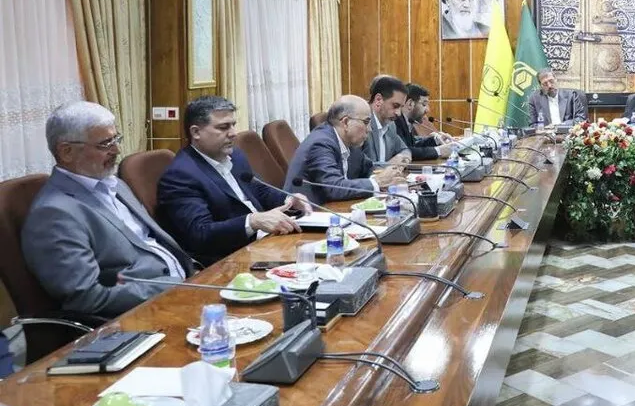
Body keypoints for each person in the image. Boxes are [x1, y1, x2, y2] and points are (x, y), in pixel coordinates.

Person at [23, 102, 194, 319]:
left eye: (116, 139)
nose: (117, 150)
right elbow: (87, 298)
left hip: (187, 286)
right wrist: (171, 286)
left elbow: (148, 242)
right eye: (105, 144)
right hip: (142, 313)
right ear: (66, 152)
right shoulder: (54, 214)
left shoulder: (113, 183)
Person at [157, 97, 312, 266]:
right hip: (229, 260)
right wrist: (253, 221)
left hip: (266, 242)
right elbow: (200, 233)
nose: (233, 133)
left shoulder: (235, 155)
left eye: (233, 125)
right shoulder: (181, 175)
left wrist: (289, 199)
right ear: (196, 132)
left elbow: (259, 190)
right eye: (223, 127)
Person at [284, 95, 405, 204]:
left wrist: (390, 175)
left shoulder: (349, 141)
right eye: (366, 122)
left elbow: (368, 168)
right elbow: (334, 187)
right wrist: (377, 182)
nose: (369, 129)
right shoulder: (320, 143)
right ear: (346, 122)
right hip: (307, 215)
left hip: (335, 208)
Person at [395, 83, 455, 161]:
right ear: (410, 104)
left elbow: (413, 146)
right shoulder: (395, 122)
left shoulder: (406, 121)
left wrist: (435, 140)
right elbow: (405, 151)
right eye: (424, 104)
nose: (427, 110)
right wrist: (439, 151)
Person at [364, 75, 412, 165]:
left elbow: (405, 150)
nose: (398, 113)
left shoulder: (391, 125)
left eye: (401, 107)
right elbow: (362, 168)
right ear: (378, 100)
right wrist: (388, 166)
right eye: (395, 106)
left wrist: (403, 159)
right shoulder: (362, 123)